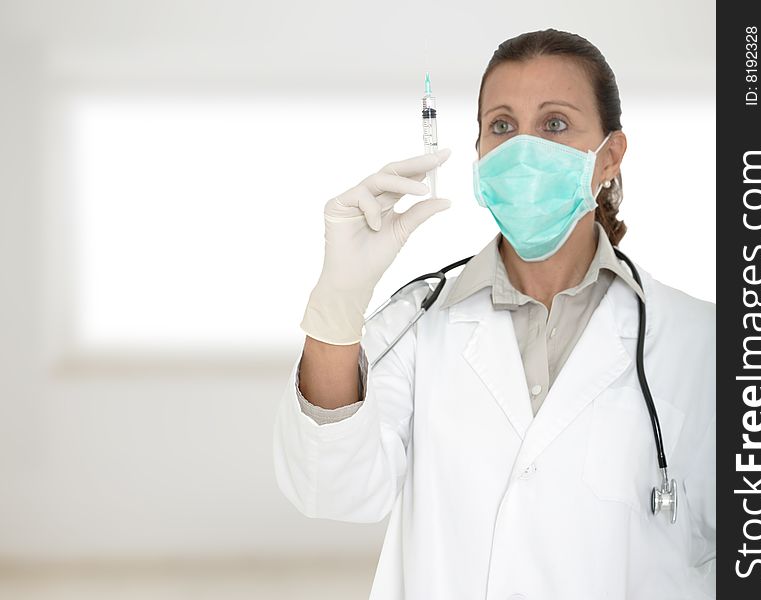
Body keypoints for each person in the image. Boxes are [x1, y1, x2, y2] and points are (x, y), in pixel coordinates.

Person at [273, 29, 715, 600]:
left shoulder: (702, 342)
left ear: (608, 156)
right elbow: (329, 490)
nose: (522, 149)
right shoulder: (417, 322)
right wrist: (338, 301)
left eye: (555, 123)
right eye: (502, 126)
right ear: (479, 152)